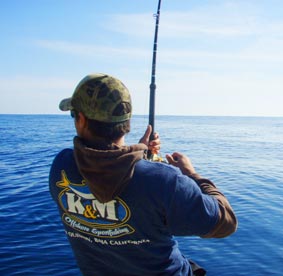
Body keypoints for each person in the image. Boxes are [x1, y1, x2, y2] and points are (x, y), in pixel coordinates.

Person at [49, 73, 237, 276]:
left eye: (73, 114)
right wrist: (190, 173)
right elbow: (226, 223)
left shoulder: (61, 167)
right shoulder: (165, 181)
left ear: (82, 120)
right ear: (126, 121)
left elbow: (106, 169)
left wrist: (138, 154)